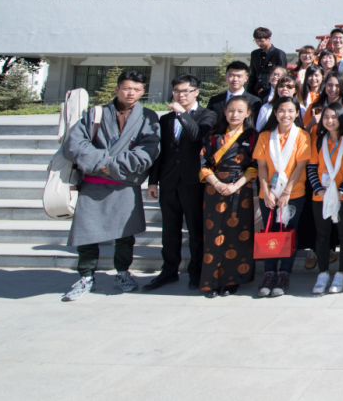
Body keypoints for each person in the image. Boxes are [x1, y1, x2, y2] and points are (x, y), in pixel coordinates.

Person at [61, 71, 162, 302]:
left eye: (136, 89)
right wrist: (104, 164)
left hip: (124, 184)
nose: (131, 93)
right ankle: (86, 276)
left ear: (143, 92)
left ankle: (123, 273)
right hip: (94, 184)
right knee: (86, 233)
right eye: (126, 88)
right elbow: (75, 144)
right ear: (117, 89)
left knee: (125, 234)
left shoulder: (148, 117)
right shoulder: (96, 113)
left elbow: (149, 150)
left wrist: (110, 166)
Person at [145, 74, 218, 292]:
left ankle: (196, 273)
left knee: (196, 230)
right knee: (169, 230)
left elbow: (196, 135)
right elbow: (160, 153)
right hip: (169, 181)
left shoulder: (208, 115)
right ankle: (168, 271)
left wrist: (182, 113)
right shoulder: (166, 120)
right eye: (177, 91)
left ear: (197, 92)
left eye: (186, 91)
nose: (181, 95)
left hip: (194, 181)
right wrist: (153, 181)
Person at [198, 96, 258, 297]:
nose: (235, 115)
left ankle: (233, 280)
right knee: (213, 235)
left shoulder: (251, 136)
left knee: (238, 235)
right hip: (214, 188)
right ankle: (212, 281)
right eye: (231, 110)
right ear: (224, 111)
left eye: (240, 111)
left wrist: (235, 186)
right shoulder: (213, 135)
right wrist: (217, 183)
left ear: (248, 114)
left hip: (241, 188)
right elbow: (203, 163)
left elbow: (255, 166)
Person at [253, 96, 311, 297]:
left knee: (288, 232)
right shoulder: (265, 136)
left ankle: (284, 273)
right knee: (269, 230)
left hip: (292, 193)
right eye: (281, 111)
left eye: (290, 111)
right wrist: (266, 192)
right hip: (268, 192)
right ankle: (269, 273)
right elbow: (261, 167)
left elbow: (300, 166)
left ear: (296, 113)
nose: (286, 115)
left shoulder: (302, 135)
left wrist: (287, 192)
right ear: (275, 113)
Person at [307, 102, 343, 296]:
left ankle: (342, 274)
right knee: (322, 235)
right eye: (326, 117)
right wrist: (319, 190)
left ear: (341, 118)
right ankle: (323, 273)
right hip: (321, 196)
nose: (329, 120)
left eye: (333, 117)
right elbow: (312, 167)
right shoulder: (319, 139)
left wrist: (341, 191)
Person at [248, 27, 288, 97]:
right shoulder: (254, 54)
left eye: (261, 41)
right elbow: (253, 75)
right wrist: (248, 92)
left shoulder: (278, 53)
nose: (259, 43)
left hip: (272, 91)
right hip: (256, 92)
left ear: (269, 38)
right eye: (256, 41)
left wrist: (266, 89)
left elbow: (282, 75)